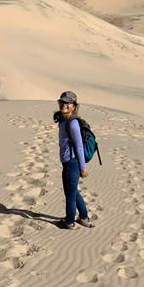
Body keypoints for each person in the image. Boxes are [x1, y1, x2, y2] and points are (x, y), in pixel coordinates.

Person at [54, 90, 94, 229]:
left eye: (68, 103)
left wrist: (83, 168)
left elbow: (79, 147)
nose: (64, 105)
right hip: (67, 162)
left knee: (70, 194)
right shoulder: (63, 121)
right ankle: (84, 218)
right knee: (72, 191)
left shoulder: (73, 123)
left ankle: (69, 222)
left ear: (74, 106)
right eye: (62, 102)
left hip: (73, 163)